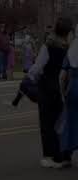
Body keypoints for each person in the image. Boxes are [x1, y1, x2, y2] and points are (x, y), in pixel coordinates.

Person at [28, 17, 73, 168]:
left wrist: (31, 78)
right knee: (62, 123)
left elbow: (37, 68)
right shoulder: (69, 48)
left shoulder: (48, 46)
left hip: (48, 87)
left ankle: (51, 157)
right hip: (64, 88)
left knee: (47, 124)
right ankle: (64, 155)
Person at [57, 24, 78, 165]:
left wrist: (62, 92)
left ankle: (67, 155)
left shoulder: (72, 49)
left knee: (70, 121)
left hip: (74, 88)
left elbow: (62, 76)